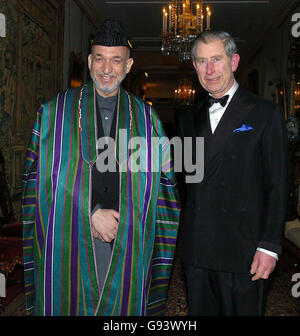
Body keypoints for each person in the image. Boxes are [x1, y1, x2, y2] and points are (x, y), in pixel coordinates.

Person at [22, 19, 180, 316]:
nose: (107, 69)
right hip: (67, 235)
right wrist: (90, 212)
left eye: (116, 60)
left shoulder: (148, 120)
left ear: (129, 65)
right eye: (100, 58)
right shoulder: (55, 113)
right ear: (90, 61)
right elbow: (40, 177)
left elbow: (163, 186)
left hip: (126, 237)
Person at [179, 30, 288, 316]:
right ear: (194, 67)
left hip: (245, 251)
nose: (210, 69)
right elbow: (185, 183)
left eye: (217, 59)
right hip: (197, 251)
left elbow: (278, 185)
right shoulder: (188, 118)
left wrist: (269, 246)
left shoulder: (266, 113)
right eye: (202, 61)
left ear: (235, 61)